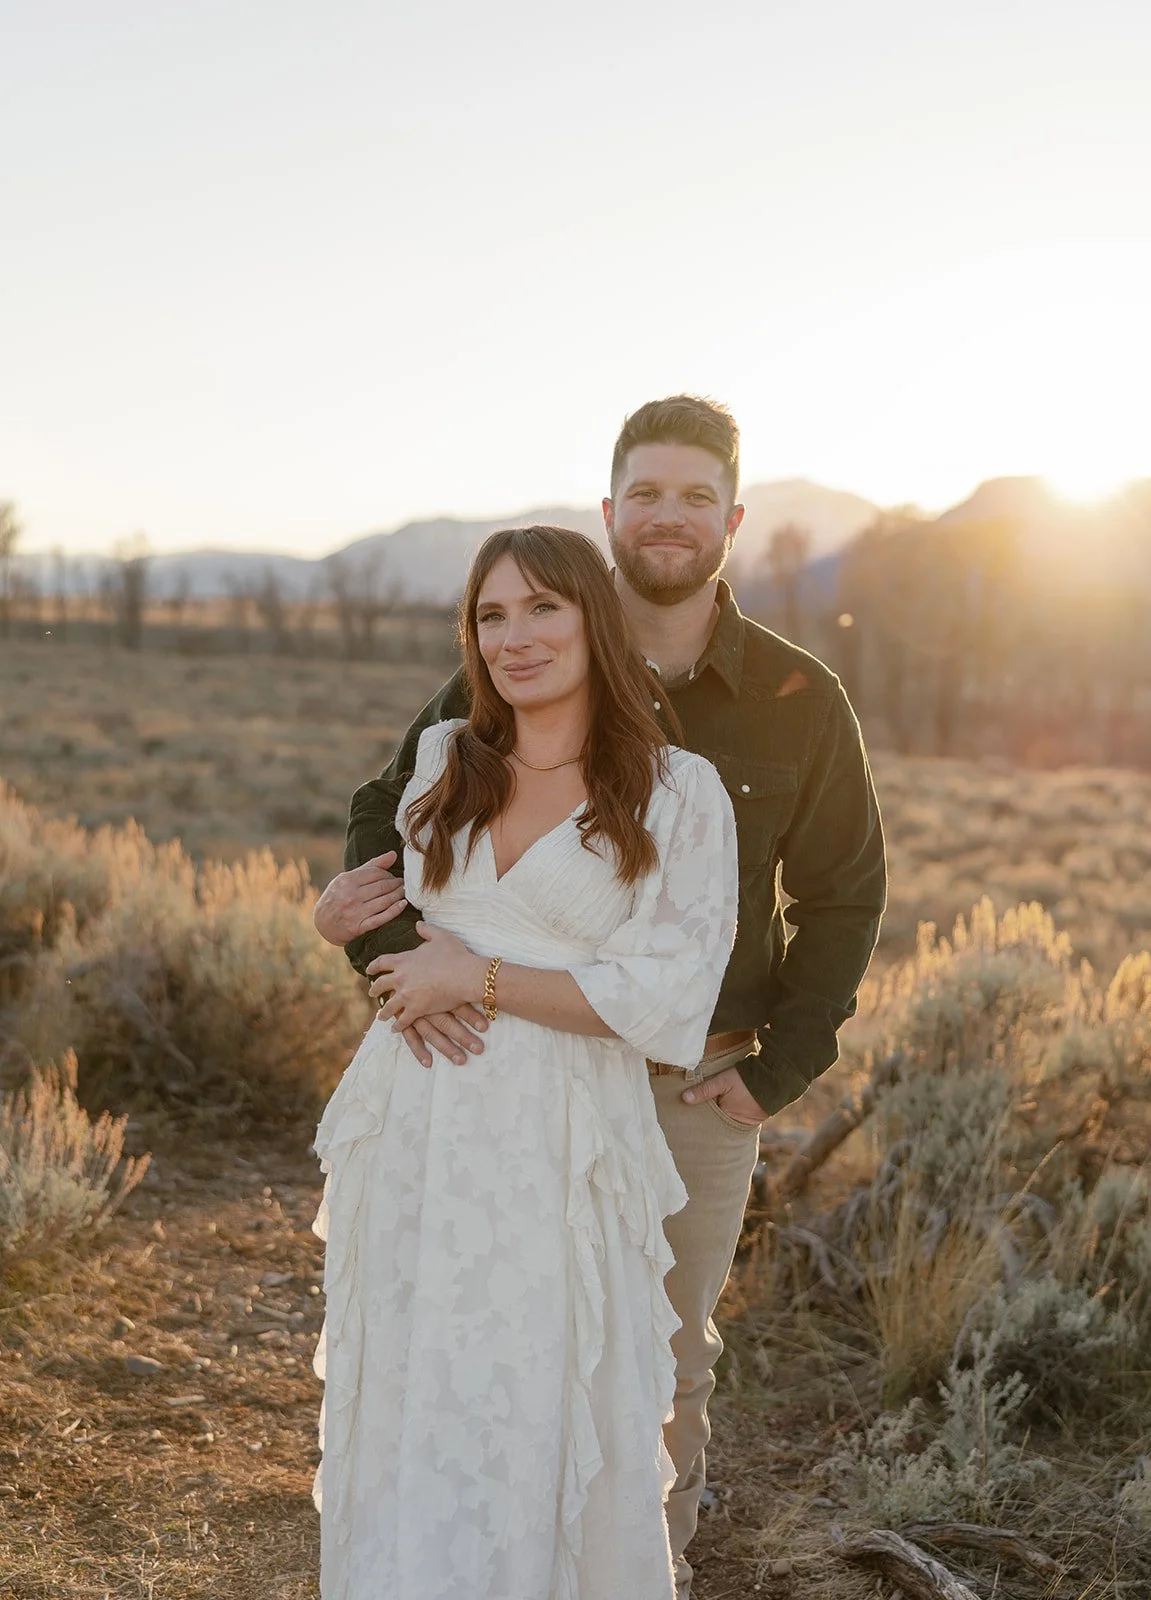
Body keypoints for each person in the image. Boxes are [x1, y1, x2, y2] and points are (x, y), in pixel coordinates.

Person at [315, 396, 887, 1598]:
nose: (666, 517)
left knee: (650, 1362)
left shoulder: (796, 697)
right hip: (475, 1078)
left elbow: (841, 898)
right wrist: (406, 967)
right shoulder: (529, 649)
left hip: (686, 1075)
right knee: (469, 1344)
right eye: (644, 493)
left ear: (731, 519)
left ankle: (634, 1569)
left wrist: (778, 1065)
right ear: (609, 511)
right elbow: (388, 813)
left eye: (693, 496)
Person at [311, 524, 739, 1600]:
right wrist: (344, 921)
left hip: (558, 1135)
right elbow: (398, 918)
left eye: (541, 607)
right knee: (417, 1378)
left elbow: (664, 999)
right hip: (413, 1121)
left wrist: (480, 980)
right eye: (490, 615)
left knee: (536, 1387)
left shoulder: (679, 793)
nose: (514, 636)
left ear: (594, 616)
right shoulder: (444, 756)